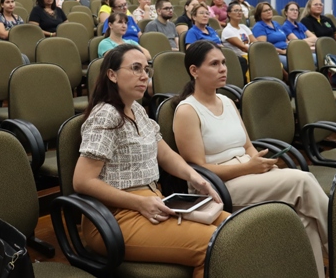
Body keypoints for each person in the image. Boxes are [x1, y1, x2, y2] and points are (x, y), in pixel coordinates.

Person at [172, 41, 328, 278]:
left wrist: (260, 163)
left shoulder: (227, 101)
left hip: (246, 171)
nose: (223, 68)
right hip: (216, 187)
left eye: (223, 62)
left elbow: (247, 145)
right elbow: (198, 170)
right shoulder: (186, 110)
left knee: (303, 217)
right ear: (194, 71)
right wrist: (248, 168)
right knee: (303, 181)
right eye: (214, 64)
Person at [74, 43, 229, 278]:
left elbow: (165, 154)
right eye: (135, 68)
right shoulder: (105, 114)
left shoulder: (137, 109)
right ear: (112, 75)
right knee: (215, 245)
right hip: (114, 218)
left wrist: (196, 178)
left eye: (146, 70)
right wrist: (139, 204)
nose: (143, 76)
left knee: (235, 228)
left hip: (154, 202)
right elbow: (82, 181)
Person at [252, 2, 290, 70]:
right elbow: (264, 47)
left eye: (269, 9)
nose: (269, 12)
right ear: (259, 14)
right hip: (274, 54)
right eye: (265, 11)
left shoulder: (276, 24)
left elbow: (286, 40)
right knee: (293, 62)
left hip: (287, 51)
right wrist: (282, 52)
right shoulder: (259, 26)